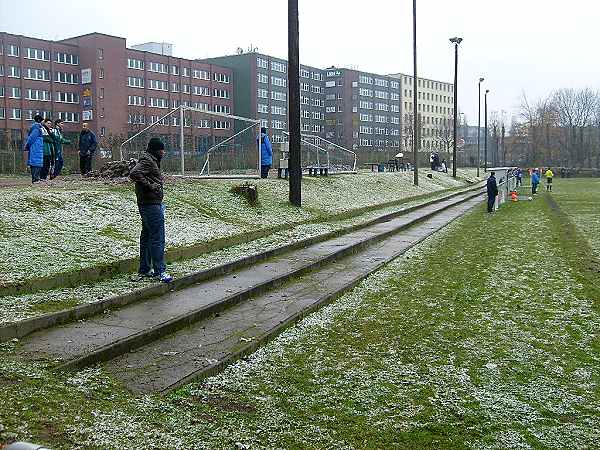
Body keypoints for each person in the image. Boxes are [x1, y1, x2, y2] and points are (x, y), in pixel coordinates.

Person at [129, 138, 172, 283]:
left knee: (147, 236)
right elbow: (134, 173)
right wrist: (150, 185)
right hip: (151, 204)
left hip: (148, 203)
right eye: (162, 150)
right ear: (156, 150)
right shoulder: (148, 161)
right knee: (157, 237)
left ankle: (145, 268)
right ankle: (160, 270)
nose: (163, 152)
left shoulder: (150, 160)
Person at [24, 115, 44, 183]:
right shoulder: (36, 128)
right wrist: (27, 146)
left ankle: (36, 179)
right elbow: (31, 138)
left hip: (37, 147)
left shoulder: (37, 127)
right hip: (36, 148)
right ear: (39, 120)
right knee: (36, 163)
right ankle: (35, 179)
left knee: (37, 162)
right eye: (42, 121)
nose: (43, 122)